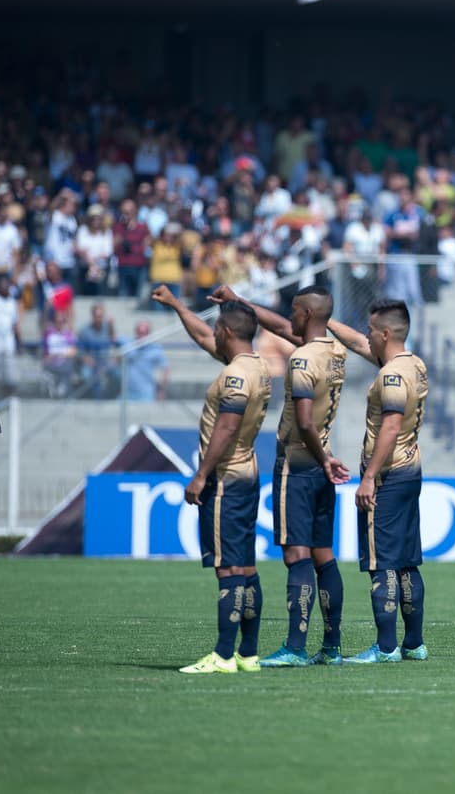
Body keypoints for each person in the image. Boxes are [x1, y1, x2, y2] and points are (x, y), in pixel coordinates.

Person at [210, 284, 352, 668]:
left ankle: (294, 646)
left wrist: (322, 459)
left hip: (299, 463)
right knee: (324, 555)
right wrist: (240, 302)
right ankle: (333, 646)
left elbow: (303, 422)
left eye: (293, 311)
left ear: (305, 314)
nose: (288, 317)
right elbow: (284, 329)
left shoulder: (302, 360)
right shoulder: (335, 351)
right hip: (322, 464)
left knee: (296, 555)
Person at [152, 285, 272, 675]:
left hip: (225, 478)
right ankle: (247, 654)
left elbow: (227, 425)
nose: (213, 334)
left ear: (228, 332)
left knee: (228, 569)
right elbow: (202, 336)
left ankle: (222, 655)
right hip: (248, 472)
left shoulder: (236, 376)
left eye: (217, 329)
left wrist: (201, 475)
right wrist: (175, 305)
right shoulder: (257, 365)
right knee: (246, 567)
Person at [328, 300, 431, 662]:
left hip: (387, 476)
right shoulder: (412, 364)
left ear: (385, 333)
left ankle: (386, 646)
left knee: (382, 561)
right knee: (406, 561)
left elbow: (390, 425)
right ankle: (414, 643)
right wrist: (322, 319)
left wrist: (369, 477)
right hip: (410, 469)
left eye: (372, 329)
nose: (367, 335)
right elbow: (358, 342)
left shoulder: (390, 375)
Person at [76, 303, 119, 398]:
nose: (99, 318)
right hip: (91, 363)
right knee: (87, 374)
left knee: (118, 374)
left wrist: (112, 327)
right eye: (97, 316)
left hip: (106, 362)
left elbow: (114, 345)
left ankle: (111, 398)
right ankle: (94, 399)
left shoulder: (108, 328)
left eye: (101, 316)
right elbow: (81, 353)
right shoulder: (84, 331)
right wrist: (95, 365)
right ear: (92, 316)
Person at [121, 321, 169, 402]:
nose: (141, 336)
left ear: (148, 334)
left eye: (144, 333)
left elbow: (166, 370)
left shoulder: (156, 349)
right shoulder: (129, 345)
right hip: (127, 393)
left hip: (145, 394)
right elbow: (114, 339)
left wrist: (161, 391)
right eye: (139, 332)